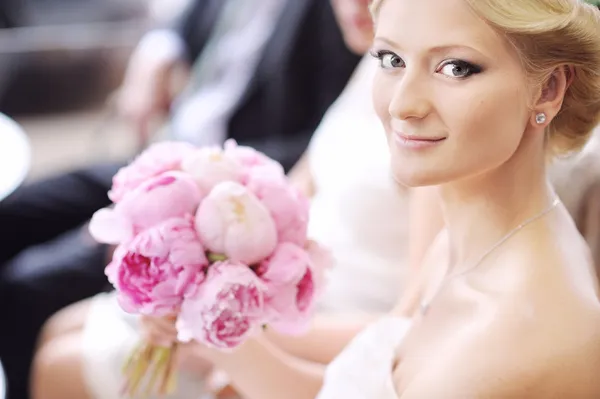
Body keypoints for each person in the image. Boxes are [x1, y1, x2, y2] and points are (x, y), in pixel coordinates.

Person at [131, 0, 600, 397]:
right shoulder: (474, 247)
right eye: (391, 60)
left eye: (455, 68)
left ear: (550, 88)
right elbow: (352, 385)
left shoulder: (512, 333)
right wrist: (219, 331)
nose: (401, 105)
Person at [0, 1, 361, 398]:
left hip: (224, 196)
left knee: (27, 285)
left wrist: (175, 212)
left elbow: (317, 151)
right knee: (10, 215)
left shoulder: (343, 17)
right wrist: (157, 52)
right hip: (168, 156)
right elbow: (183, 23)